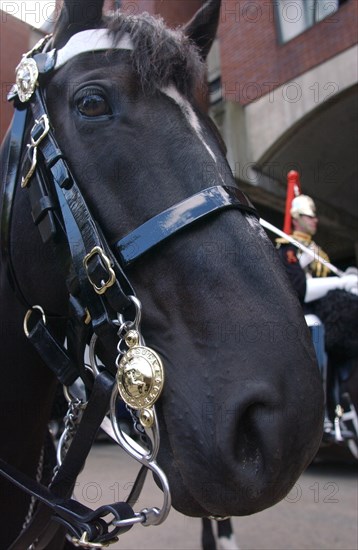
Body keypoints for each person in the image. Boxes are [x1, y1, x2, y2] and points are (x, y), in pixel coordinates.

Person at [276, 171, 358, 442]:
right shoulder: (287, 248)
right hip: (301, 315)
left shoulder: (319, 252)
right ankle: (320, 413)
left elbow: (331, 284)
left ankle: (342, 404)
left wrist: (346, 281)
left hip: (327, 312)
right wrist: (339, 285)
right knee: (317, 326)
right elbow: (301, 290)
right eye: (310, 216)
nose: (315, 220)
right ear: (298, 218)